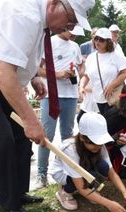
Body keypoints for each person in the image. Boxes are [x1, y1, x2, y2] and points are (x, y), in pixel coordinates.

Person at [0, 0, 95, 212]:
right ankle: (9, 205)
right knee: (0, 141)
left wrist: (33, 77)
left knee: (20, 136)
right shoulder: (23, 13)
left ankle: (18, 193)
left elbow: (17, 56)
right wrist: (31, 120)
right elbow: (3, 70)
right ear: (54, 3)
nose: (70, 27)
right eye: (70, 19)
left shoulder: (40, 19)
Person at [49, 112, 126, 212]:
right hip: (64, 173)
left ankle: (91, 191)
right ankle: (65, 192)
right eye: (93, 142)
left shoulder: (99, 146)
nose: (98, 146)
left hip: (84, 168)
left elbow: (111, 172)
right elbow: (81, 187)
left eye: (99, 142)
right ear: (82, 138)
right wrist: (109, 204)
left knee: (103, 166)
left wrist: (124, 192)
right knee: (79, 180)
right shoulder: (70, 149)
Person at [35, 26, 84, 189]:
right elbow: (37, 69)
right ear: (64, 26)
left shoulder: (75, 46)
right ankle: (42, 173)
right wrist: (57, 74)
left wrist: (76, 73)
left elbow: (80, 66)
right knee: (46, 135)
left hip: (70, 95)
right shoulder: (48, 42)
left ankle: (67, 170)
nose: (74, 35)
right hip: (51, 95)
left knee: (67, 136)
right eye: (72, 31)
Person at [78, 28, 126, 118]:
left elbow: (124, 73)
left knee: (110, 126)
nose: (98, 42)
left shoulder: (116, 56)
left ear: (108, 41)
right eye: (96, 38)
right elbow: (86, 76)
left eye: (101, 39)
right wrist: (81, 87)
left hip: (112, 97)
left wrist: (112, 85)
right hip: (97, 98)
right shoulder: (91, 57)